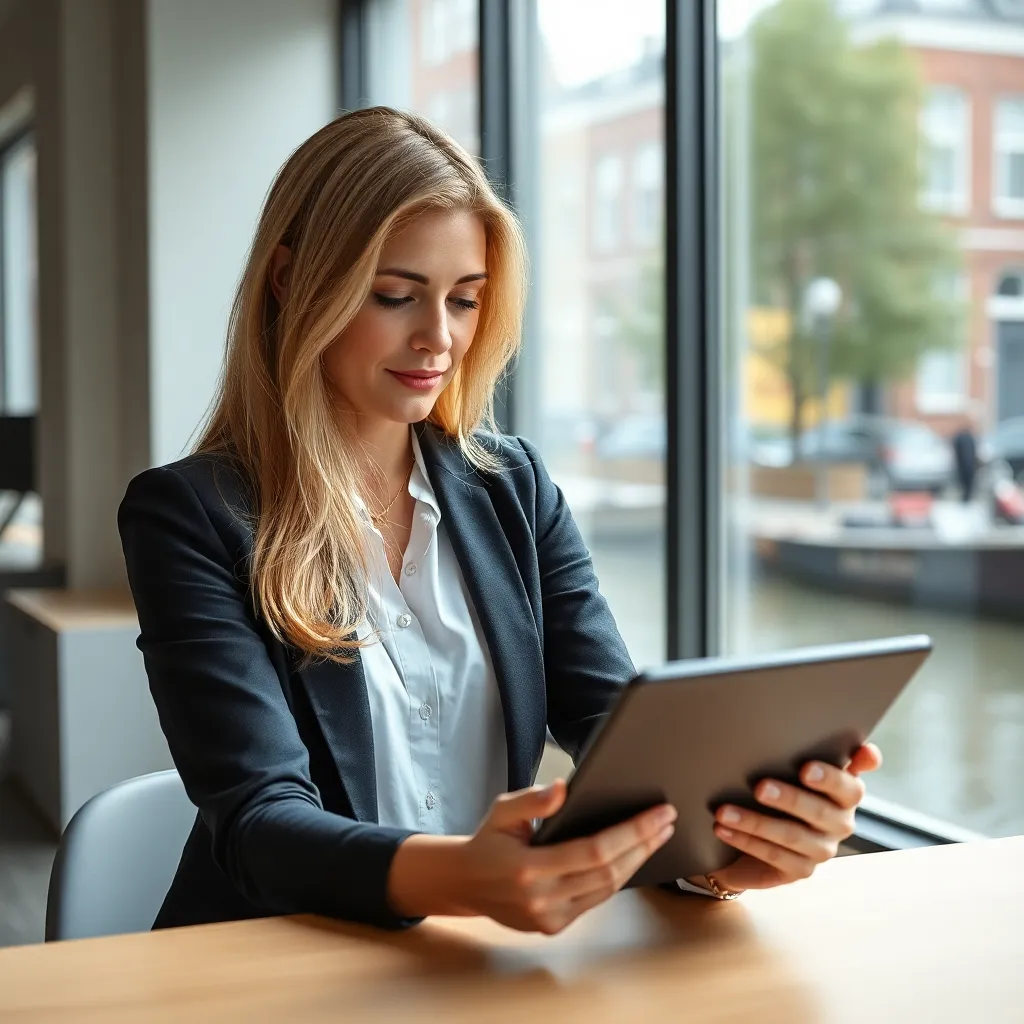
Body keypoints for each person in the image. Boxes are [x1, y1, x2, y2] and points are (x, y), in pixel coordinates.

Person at [119, 107, 881, 935]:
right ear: (288, 279)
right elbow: (260, 825)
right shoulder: (191, 516)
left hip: (480, 956)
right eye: (395, 295)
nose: (438, 338)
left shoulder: (514, 489)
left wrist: (725, 849)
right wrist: (465, 879)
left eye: (465, 300)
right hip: (272, 960)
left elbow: (617, 732)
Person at [951, 421, 978, 504]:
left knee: (964, 481)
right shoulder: (969, 438)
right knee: (967, 481)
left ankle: (966, 496)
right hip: (968, 463)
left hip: (964, 463)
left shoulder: (961, 438)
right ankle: (967, 496)